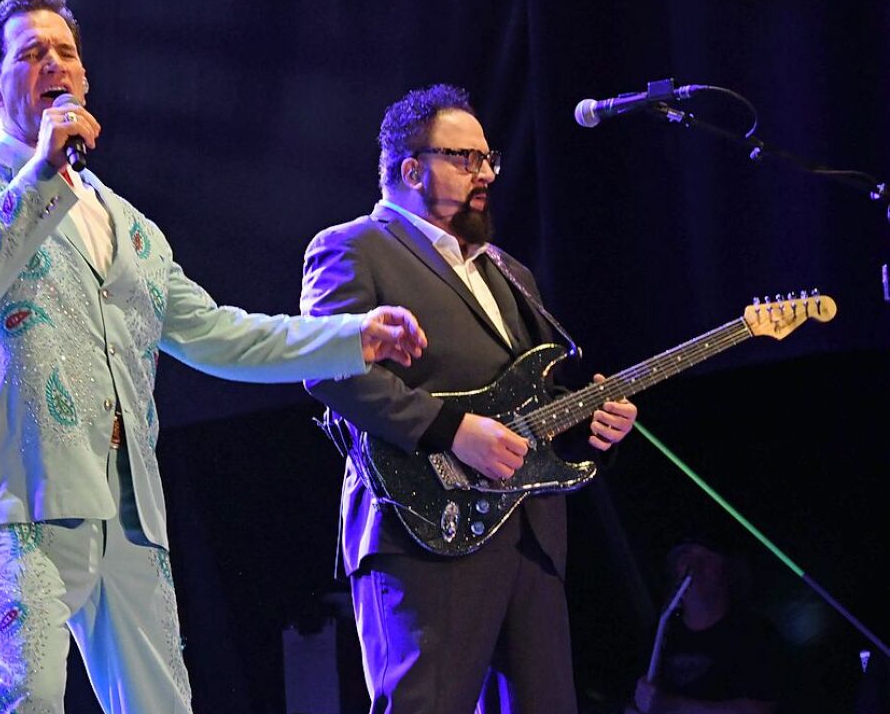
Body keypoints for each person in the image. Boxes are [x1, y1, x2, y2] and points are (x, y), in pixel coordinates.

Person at [0, 0, 426, 714]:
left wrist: (351, 336)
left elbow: (220, 332)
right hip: (24, 490)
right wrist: (43, 171)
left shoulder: (130, 225)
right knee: (27, 690)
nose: (53, 63)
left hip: (128, 506)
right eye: (31, 53)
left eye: (66, 52)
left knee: (159, 705)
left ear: (84, 81)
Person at [299, 83, 638, 713]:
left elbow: (532, 406)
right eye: (465, 159)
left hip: (528, 533)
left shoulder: (509, 271)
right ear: (409, 168)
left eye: (488, 160)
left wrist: (594, 423)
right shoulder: (353, 246)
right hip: (421, 523)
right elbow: (329, 370)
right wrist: (453, 430)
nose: (484, 174)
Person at [624, 538, 787, 714]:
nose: (693, 566)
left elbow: (760, 710)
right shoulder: (661, 632)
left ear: (727, 570)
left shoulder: (755, 632)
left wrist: (674, 706)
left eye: (706, 556)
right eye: (685, 555)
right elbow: (634, 703)